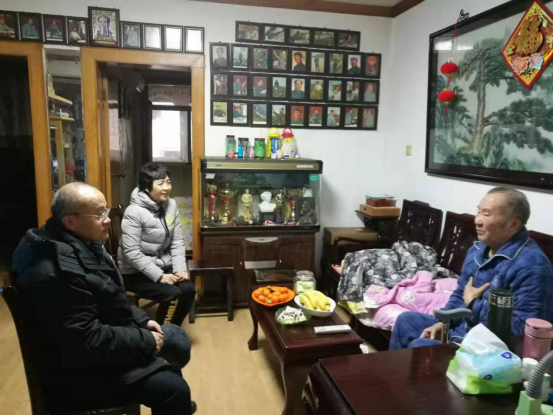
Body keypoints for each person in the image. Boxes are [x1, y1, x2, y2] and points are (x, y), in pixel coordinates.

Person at [12, 182, 195, 414]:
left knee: (175, 342)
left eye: (106, 211)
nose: (108, 220)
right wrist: (146, 340)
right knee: (174, 386)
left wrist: (142, 320)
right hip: (77, 372)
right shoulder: (56, 272)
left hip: (99, 340)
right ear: (70, 221)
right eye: (99, 214)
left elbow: (110, 296)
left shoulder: (75, 241)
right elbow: (85, 339)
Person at [390, 187, 553, 350]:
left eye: (486, 214)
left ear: (513, 224)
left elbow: (522, 332)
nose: (477, 220)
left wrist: (474, 303)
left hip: (490, 348)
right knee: (406, 321)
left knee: (421, 346)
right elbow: (461, 293)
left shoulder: (532, 267)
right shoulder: (477, 249)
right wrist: (443, 323)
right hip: (463, 330)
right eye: (479, 212)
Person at [119, 164, 196, 327]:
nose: (166, 187)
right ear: (147, 188)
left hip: (161, 264)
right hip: (134, 272)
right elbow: (132, 252)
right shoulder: (134, 212)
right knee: (172, 293)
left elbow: (177, 240)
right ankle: (159, 334)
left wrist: (179, 268)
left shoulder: (171, 205)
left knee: (188, 289)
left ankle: (172, 329)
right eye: (160, 183)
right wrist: (160, 276)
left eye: (168, 182)